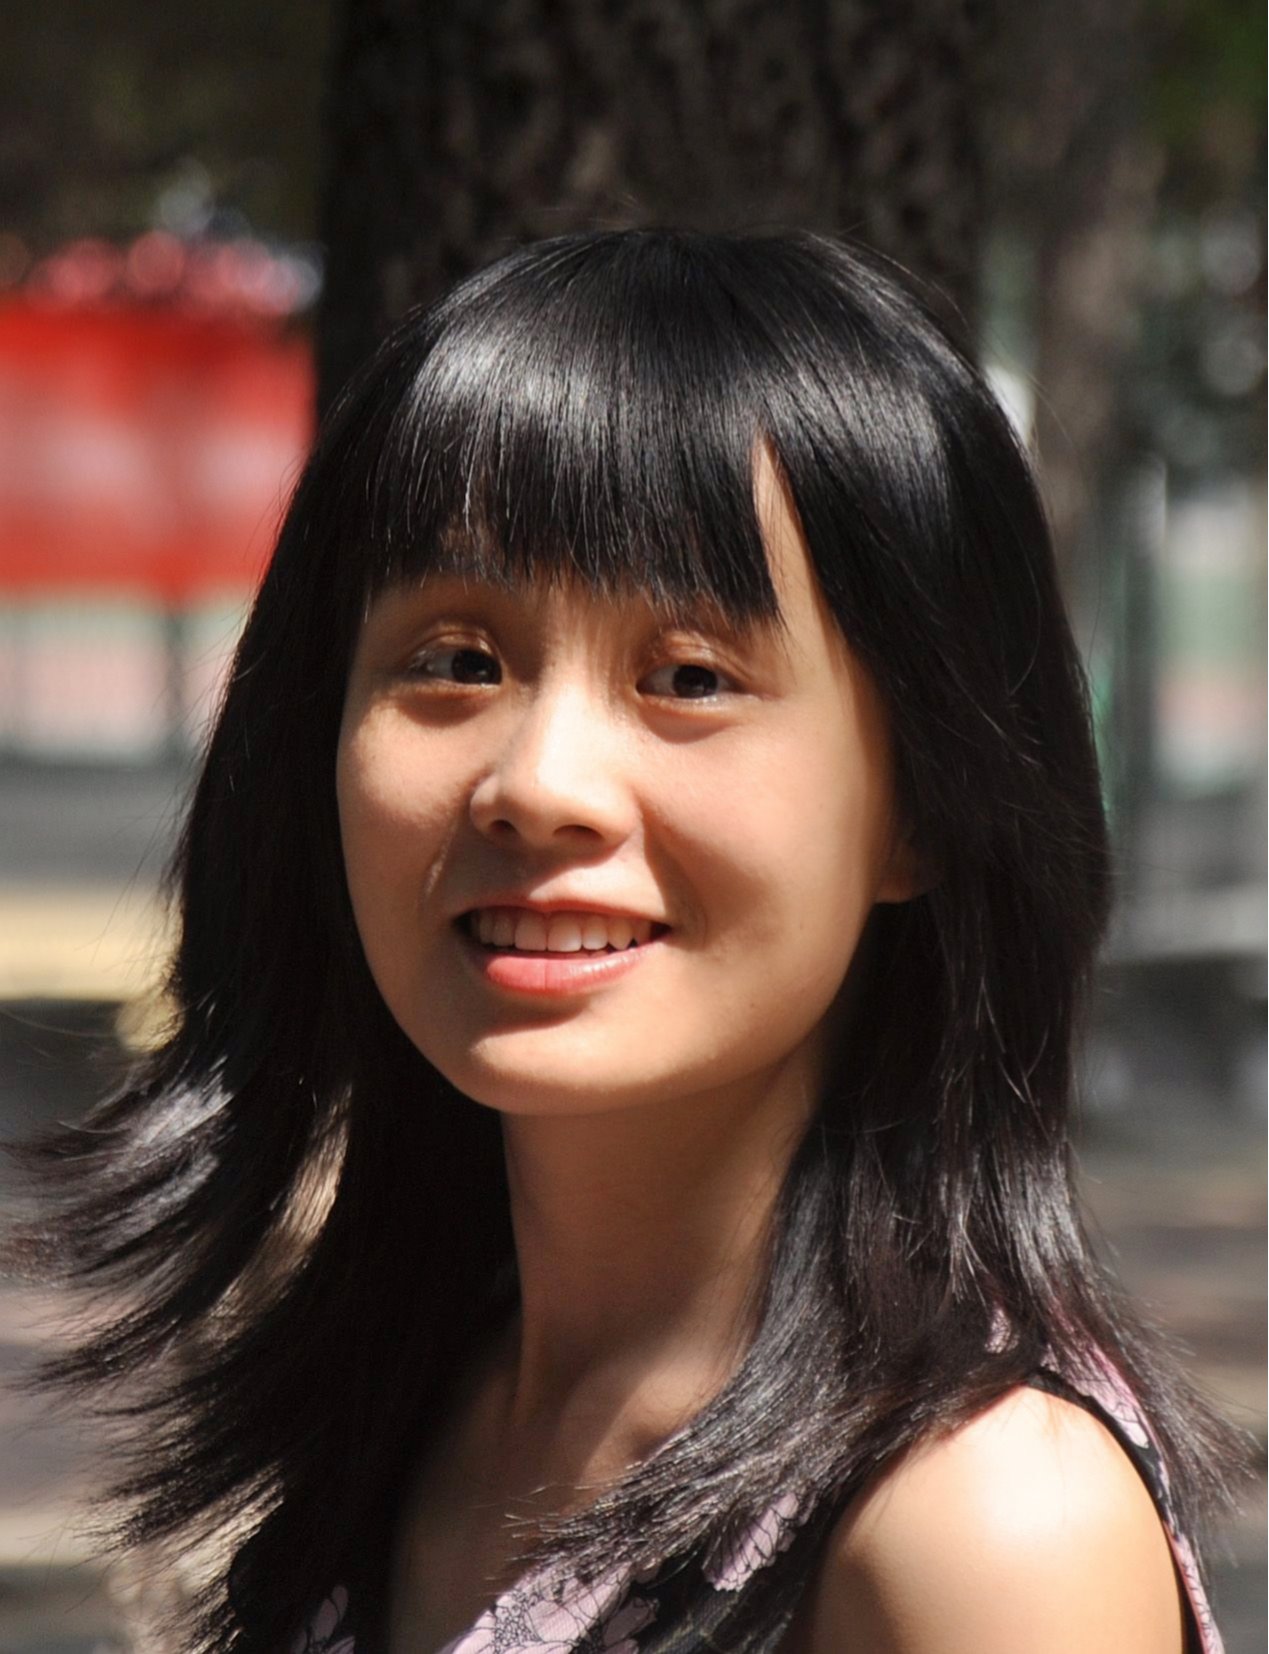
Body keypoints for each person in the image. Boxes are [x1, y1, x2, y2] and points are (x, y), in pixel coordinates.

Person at [17, 230, 1239, 1654]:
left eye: (689, 677)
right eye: (455, 661)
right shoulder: (412, 1389)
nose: (538, 783)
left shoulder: (983, 1526)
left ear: (921, 805)